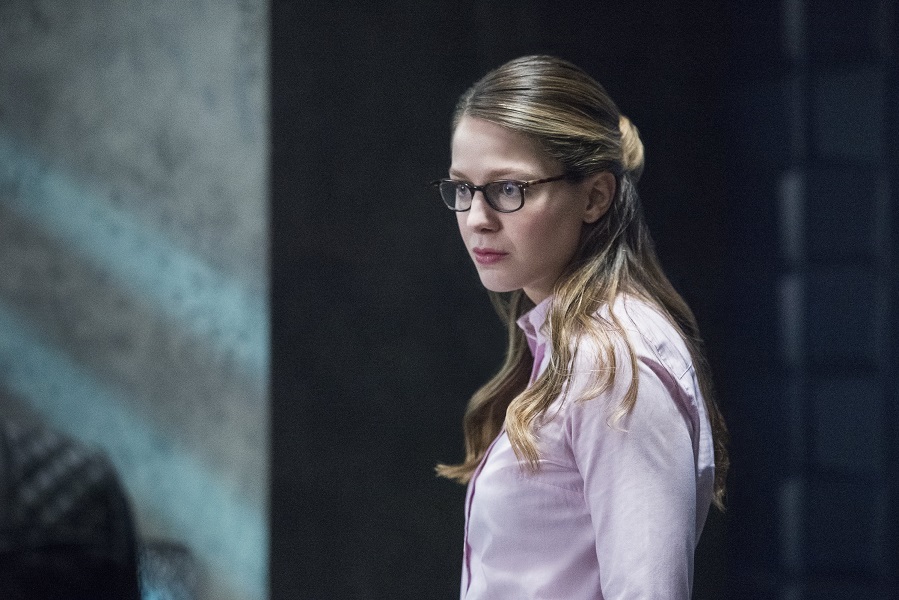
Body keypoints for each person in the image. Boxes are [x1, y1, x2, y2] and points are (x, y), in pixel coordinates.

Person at [433, 55, 729, 599]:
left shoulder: (613, 362)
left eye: (508, 189)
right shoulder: (570, 346)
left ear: (594, 197)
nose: (476, 218)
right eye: (462, 189)